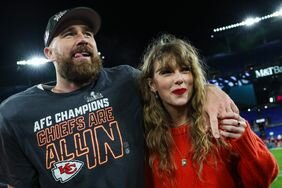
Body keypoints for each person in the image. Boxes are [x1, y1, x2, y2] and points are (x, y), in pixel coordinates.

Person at [0, 7, 239, 188]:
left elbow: (172, 83)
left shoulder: (126, 80)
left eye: (88, 33)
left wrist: (208, 90)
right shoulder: (15, 113)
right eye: (69, 34)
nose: (83, 38)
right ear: (48, 53)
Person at [140, 34, 279, 188]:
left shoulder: (221, 121)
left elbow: (262, 180)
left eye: (185, 69)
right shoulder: (146, 140)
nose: (179, 79)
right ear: (152, 84)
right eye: (167, 72)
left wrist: (245, 140)